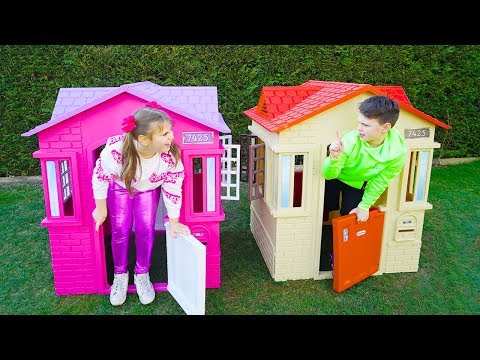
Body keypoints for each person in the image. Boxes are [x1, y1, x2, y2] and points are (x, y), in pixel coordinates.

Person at [92, 101, 190, 306]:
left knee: (145, 230)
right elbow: (100, 176)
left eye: (170, 131)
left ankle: (142, 274)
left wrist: (174, 221)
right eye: (164, 134)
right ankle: (120, 275)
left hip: (147, 190)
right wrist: (100, 208)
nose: (171, 136)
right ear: (144, 140)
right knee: (120, 230)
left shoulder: (169, 157)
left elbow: (173, 188)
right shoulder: (115, 153)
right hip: (120, 188)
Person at [322, 95, 407, 224]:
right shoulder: (349, 141)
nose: (359, 128)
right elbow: (328, 175)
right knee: (325, 204)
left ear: (385, 127)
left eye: (365, 125)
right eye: (359, 123)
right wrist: (334, 157)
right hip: (336, 175)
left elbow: (381, 181)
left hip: (358, 182)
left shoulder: (397, 152)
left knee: (349, 214)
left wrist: (364, 206)